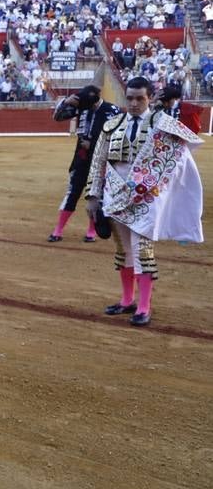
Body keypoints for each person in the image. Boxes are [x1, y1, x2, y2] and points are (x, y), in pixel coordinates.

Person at [85, 76, 204, 327]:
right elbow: (99, 162)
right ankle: (127, 299)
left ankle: (144, 305)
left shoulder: (163, 125)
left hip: (147, 198)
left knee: (143, 251)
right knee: (123, 250)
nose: (134, 103)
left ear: (150, 98)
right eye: (129, 98)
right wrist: (93, 196)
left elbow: (181, 156)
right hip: (115, 194)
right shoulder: (112, 125)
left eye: (140, 98)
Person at [47, 85, 120, 242]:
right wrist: (65, 101)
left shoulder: (112, 111)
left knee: (96, 195)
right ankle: (58, 230)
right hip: (81, 158)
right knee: (73, 192)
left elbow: (118, 140)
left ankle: (91, 232)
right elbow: (57, 117)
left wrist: (92, 143)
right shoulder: (84, 107)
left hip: (102, 161)